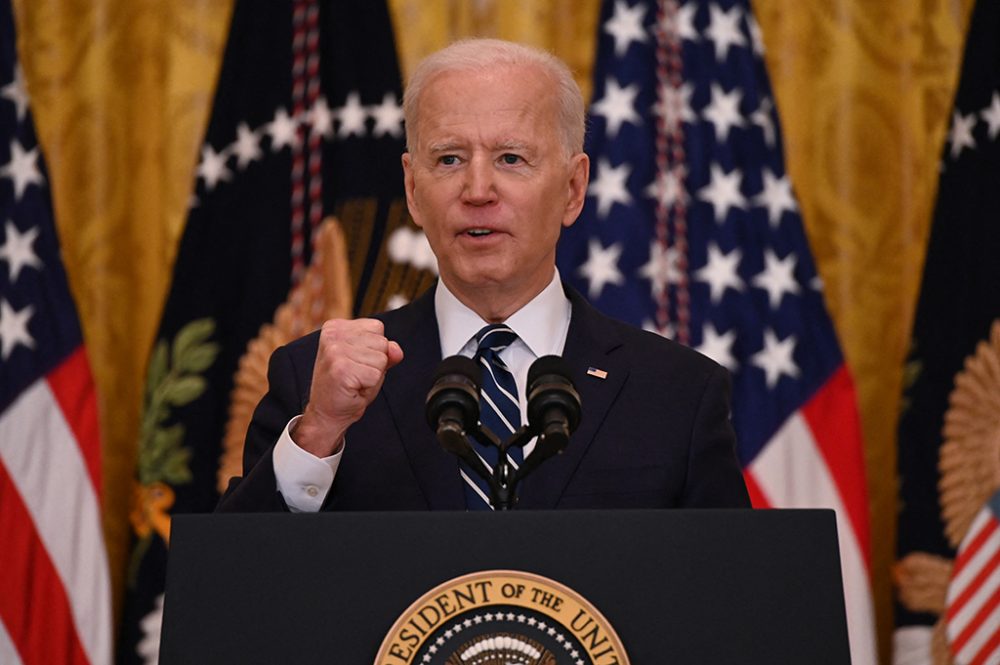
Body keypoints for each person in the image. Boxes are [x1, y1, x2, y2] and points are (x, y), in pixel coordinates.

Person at [217, 38, 750, 513]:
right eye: (449, 159)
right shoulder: (316, 381)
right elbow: (238, 592)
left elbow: (729, 607)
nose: (477, 190)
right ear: (412, 188)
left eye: (511, 158)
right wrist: (320, 433)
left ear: (572, 188)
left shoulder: (678, 394)